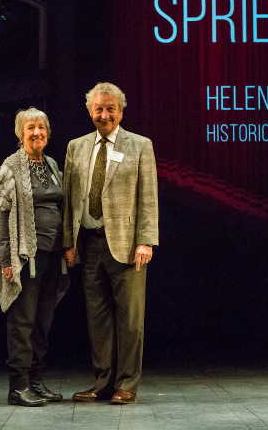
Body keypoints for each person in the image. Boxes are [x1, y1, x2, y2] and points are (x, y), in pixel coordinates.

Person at [62, 82, 159, 405]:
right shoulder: (75, 147)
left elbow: (148, 198)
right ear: (90, 112)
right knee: (98, 318)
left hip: (127, 246)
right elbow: (70, 201)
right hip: (89, 244)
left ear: (121, 110)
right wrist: (68, 242)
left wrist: (145, 241)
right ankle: (103, 381)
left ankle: (127, 383)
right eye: (99, 109)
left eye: (110, 108)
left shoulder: (140, 145)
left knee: (130, 318)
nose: (105, 114)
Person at [0, 107, 69, 407]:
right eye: (31, 127)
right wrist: (8, 260)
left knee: (42, 322)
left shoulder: (51, 164)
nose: (37, 132)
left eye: (42, 127)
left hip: (52, 255)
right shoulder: (9, 166)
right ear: (20, 133)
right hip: (25, 258)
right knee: (22, 322)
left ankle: (35, 381)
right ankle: (18, 386)